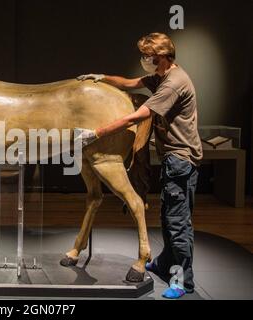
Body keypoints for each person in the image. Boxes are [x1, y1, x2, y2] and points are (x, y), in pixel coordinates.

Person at [76, 33, 202, 299]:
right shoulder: (162, 76)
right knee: (168, 218)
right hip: (171, 158)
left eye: (148, 56)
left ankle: (183, 281)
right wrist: (102, 77)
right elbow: (132, 82)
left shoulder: (173, 84)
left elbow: (137, 115)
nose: (145, 60)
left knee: (178, 224)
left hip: (181, 159)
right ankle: (164, 264)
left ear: (161, 56)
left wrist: (97, 133)